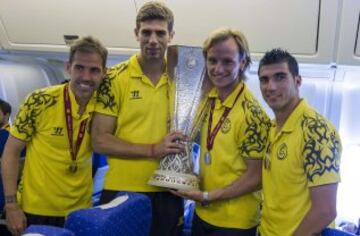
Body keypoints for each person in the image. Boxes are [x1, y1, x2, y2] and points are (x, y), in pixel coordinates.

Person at [91, 1, 186, 236]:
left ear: (170, 36)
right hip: (123, 190)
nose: (153, 40)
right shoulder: (114, 79)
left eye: (160, 33)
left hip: (169, 190)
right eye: (146, 32)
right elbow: (100, 141)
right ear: (136, 34)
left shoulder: (182, 80)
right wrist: (153, 149)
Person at [1, 36, 108, 235]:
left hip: (80, 210)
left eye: (94, 70)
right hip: (35, 208)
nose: (86, 76)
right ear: (68, 67)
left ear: (104, 73)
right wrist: (11, 205)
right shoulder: (40, 101)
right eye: (79, 68)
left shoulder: (105, 108)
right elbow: (10, 152)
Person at [171, 28, 270, 236]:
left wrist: (209, 195)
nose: (218, 69)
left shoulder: (252, 113)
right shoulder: (210, 98)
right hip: (204, 212)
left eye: (228, 62)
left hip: (235, 222)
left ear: (242, 63)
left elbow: (257, 176)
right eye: (212, 60)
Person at [257, 48, 342, 236]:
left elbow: (325, 211)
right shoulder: (271, 128)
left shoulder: (316, 130)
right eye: (264, 79)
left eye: (280, 77)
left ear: (297, 81)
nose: (270, 87)